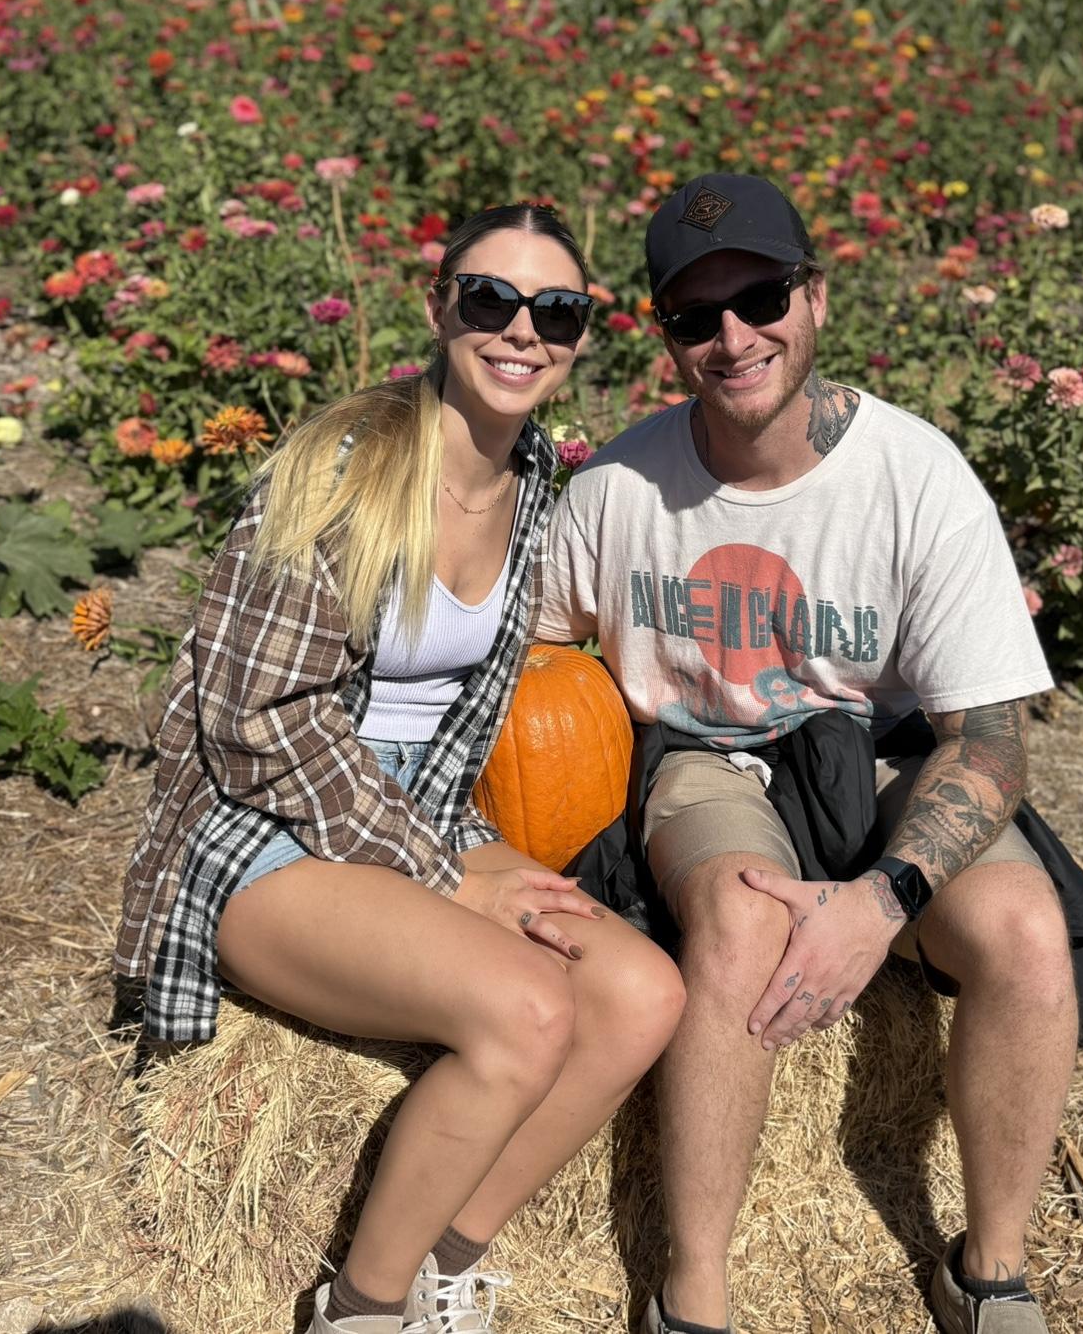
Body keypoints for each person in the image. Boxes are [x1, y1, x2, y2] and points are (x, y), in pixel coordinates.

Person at [113, 203, 687, 1334]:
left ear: (580, 337)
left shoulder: (537, 478)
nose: (522, 330)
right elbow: (255, 719)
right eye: (491, 298)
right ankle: (360, 1310)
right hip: (267, 821)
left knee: (641, 996)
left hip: (421, 805)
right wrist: (439, 872)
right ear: (439, 307)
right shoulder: (346, 469)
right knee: (528, 1011)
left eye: (557, 311)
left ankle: (443, 1264)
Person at [538, 174, 1077, 1334]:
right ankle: (694, 1292)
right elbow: (529, 659)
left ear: (815, 297)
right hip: (705, 755)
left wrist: (882, 902)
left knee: (1028, 935)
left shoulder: (914, 477)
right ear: (667, 338)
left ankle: (990, 1274)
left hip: (872, 754)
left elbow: (990, 740)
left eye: (762, 298)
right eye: (696, 315)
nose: (734, 337)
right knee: (741, 922)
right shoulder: (617, 488)